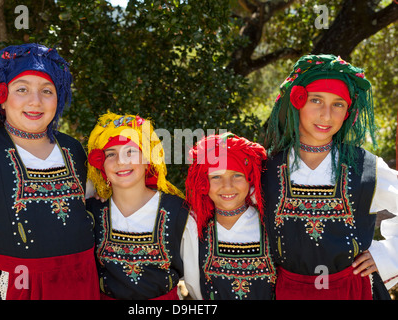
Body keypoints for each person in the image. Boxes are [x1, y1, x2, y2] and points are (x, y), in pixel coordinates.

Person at [0, 43, 100, 300]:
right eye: (22, 89)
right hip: (19, 290)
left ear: (58, 98)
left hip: (81, 286)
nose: (35, 101)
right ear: (2, 97)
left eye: (47, 91)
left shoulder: (73, 149)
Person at [262, 54, 398, 299]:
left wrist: (388, 254)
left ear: (348, 112)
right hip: (285, 292)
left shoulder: (366, 167)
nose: (326, 115)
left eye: (338, 104)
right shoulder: (267, 169)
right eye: (316, 100)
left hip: (352, 292)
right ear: (298, 102)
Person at [86, 111, 198, 300]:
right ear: (101, 164)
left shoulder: (179, 211)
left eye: (130, 151)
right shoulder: (91, 211)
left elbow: (195, 283)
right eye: (110, 154)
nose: (121, 161)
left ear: (148, 159)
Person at [184, 132, 276, 300]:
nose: (227, 186)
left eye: (237, 175)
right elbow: (193, 287)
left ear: (249, 179)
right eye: (216, 176)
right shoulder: (194, 229)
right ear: (204, 182)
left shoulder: (270, 224)